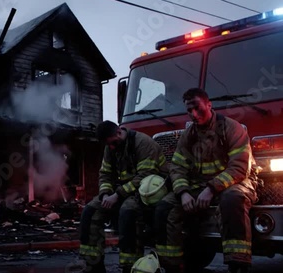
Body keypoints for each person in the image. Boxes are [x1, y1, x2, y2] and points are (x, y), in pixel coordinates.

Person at [155, 88, 258, 273]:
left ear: (209, 105)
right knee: (164, 207)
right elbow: (177, 167)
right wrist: (183, 193)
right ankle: (171, 265)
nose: (193, 115)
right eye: (189, 111)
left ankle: (238, 263)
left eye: (197, 108)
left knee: (232, 200)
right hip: (198, 187)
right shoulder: (189, 136)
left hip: (235, 183)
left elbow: (239, 168)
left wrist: (211, 189)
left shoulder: (231, 128)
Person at [79, 120, 168, 273]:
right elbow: (105, 173)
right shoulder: (110, 147)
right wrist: (105, 193)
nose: (112, 147)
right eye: (109, 145)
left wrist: (117, 195)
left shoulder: (143, 143)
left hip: (146, 191)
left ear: (119, 132)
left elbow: (145, 175)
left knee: (128, 212)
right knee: (90, 211)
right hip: (121, 191)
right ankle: (94, 265)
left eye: (113, 143)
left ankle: (130, 266)